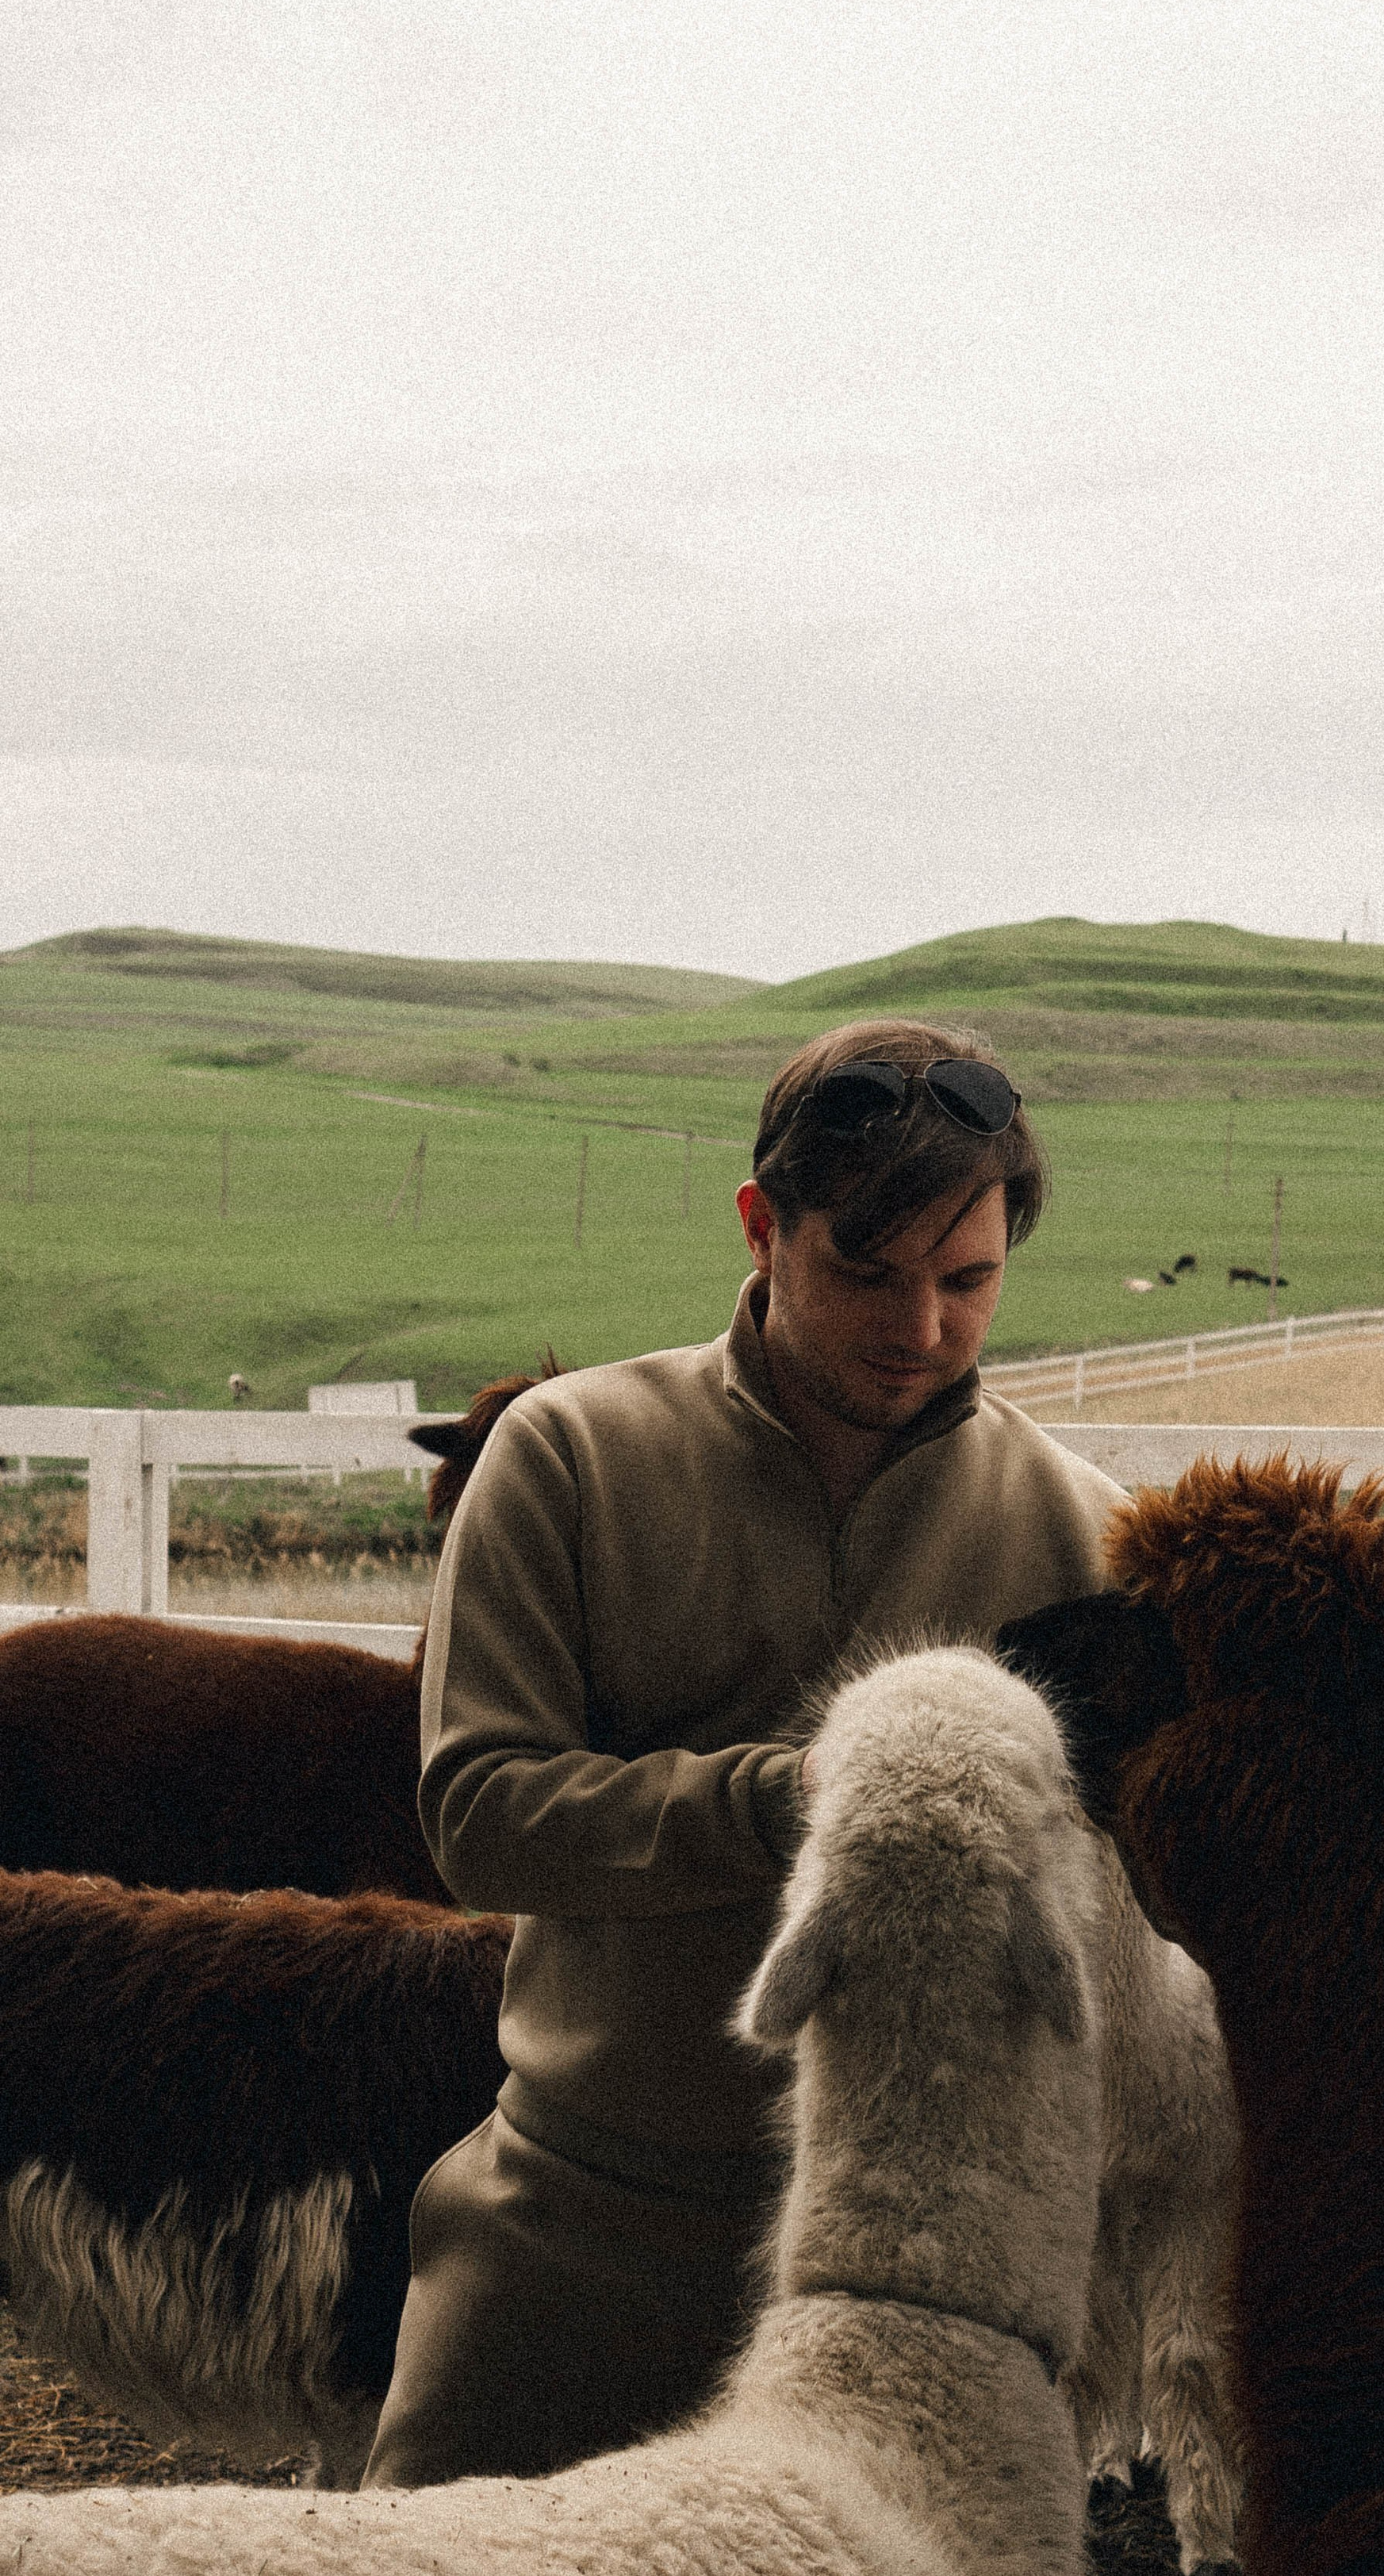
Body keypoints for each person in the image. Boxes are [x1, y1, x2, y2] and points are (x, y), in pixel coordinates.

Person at [362, 1018, 1125, 2489]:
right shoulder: (566, 1457)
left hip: (920, 2282)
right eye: (868, 1272)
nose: (923, 1329)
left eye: (969, 1281)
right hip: (578, 2230)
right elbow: (479, 1815)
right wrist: (801, 1802)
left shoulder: (1083, 1533)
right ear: (762, 1227)